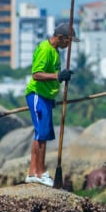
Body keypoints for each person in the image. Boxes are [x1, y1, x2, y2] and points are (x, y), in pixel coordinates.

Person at [24, 22, 78, 186]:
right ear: (60, 38)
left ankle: (33, 172)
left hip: (46, 97)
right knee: (42, 135)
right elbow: (36, 74)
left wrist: (51, 96)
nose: (69, 45)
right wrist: (58, 76)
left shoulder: (55, 51)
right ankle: (40, 173)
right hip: (37, 95)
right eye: (68, 42)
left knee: (41, 134)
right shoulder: (45, 49)